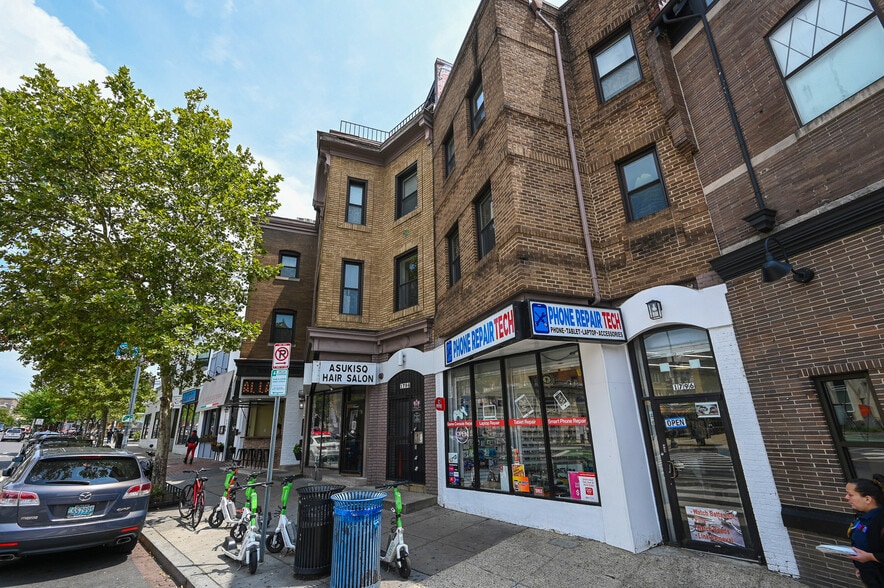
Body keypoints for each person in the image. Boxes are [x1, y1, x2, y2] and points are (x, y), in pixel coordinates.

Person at [845, 474, 884, 587]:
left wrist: (870, 557)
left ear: (867, 499)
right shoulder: (862, 517)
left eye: (850, 494)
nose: (846, 497)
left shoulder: (880, 520)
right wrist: (864, 570)